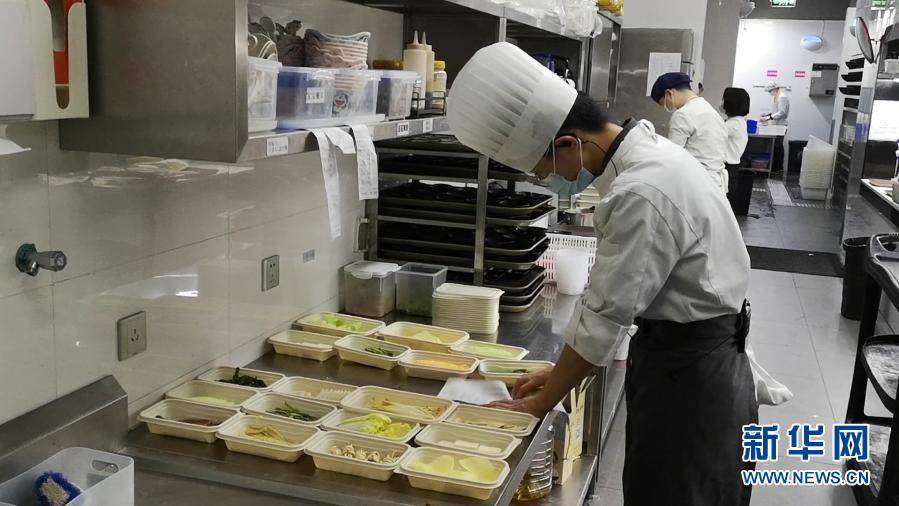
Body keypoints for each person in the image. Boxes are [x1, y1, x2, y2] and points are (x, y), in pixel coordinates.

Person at [447, 42, 758, 506]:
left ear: (569, 143)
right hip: (685, 358)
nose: (546, 179)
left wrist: (543, 400)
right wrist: (558, 374)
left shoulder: (641, 190)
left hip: (692, 380)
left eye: (543, 168)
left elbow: (604, 319)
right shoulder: (649, 154)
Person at [651, 72, 729, 193]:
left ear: (669, 94)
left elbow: (672, 157)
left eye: (664, 103)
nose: (667, 108)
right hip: (716, 185)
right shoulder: (710, 110)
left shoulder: (682, 114)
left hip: (696, 185)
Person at [722, 87, 751, 197]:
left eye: (723, 99)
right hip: (732, 168)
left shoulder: (733, 124)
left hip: (728, 168)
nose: (722, 102)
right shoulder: (738, 121)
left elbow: (712, 135)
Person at [760, 81, 789, 172]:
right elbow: (776, 111)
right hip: (777, 126)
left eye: (770, 91)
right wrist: (768, 114)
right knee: (776, 146)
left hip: (781, 126)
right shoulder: (777, 96)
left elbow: (782, 112)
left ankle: (778, 168)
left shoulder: (782, 97)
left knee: (778, 146)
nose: (770, 93)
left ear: (775, 89)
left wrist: (769, 118)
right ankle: (775, 167)